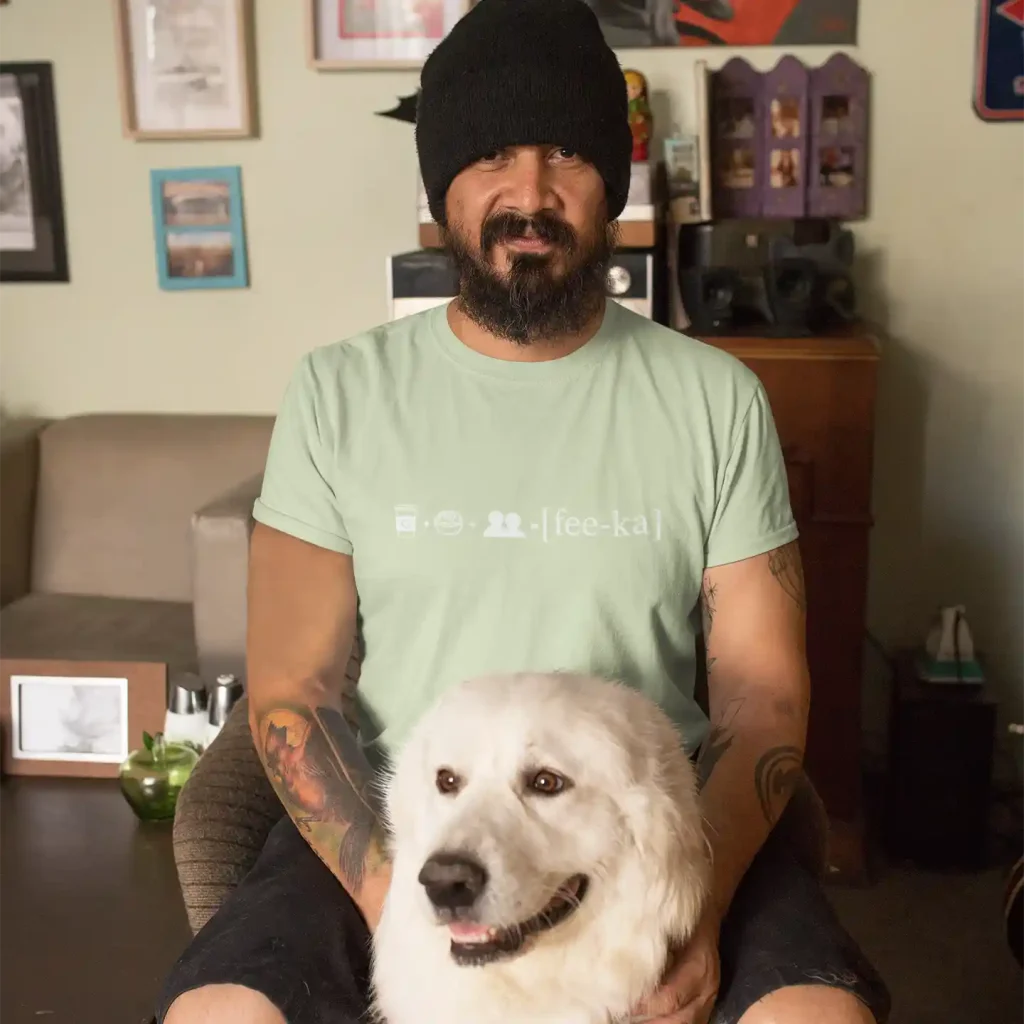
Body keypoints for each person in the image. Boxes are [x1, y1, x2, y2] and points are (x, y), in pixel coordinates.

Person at [157, 2, 891, 1023]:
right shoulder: (338, 393)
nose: (530, 194)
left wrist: (698, 907)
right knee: (222, 1016)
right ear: (441, 187)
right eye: (491, 154)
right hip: (407, 829)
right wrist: (397, 905)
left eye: (567, 156)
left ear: (612, 184)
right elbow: (292, 685)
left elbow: (762, 691)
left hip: (645, 829)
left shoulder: (715, 397)